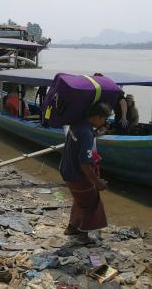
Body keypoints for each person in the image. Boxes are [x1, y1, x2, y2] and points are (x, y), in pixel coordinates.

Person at [59, 102, 112, 238]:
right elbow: (84, 164)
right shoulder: (86, 133)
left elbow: (80, 143)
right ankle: (83, 235)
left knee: (80, 200)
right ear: (98, 117)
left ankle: (72, 228)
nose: (104, 122)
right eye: (104, 119)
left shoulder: (78, 124)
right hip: (76, 174)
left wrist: (95, 133)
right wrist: (97, 182)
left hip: (66, 169)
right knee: (91, 203)